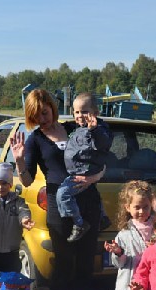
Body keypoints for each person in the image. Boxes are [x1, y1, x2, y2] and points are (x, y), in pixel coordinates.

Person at [10, 89, 103, 290]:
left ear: (53, 108)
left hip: (89, 203)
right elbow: (27, 181)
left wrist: (92, 178)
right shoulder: (35, 140)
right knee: (64, 262)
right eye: (36, 116)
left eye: (44, 113)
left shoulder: (73, 128)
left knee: (86, 261)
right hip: (59, 208)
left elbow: (102, 161)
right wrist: (19, 160)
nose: (42, 120)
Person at [56, 92, 113, 242]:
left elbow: (102, 143)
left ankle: (79, 223)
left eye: (84, 111)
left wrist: (94, 130)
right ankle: (103, 217)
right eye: (76, 112)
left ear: (96, 113)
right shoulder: (78, 128)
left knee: (62, 194)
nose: (80, 115)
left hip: (83, 173)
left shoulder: (98, 129)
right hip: (80, 172)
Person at [104, 180, 156, 290]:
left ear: (151, 205)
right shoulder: (124, 233)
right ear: (128, 207)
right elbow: (119, 264)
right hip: (128, 287)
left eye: (145, 207)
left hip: (149, 286)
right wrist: (118, 252)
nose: (141, 211)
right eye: (137, 207)